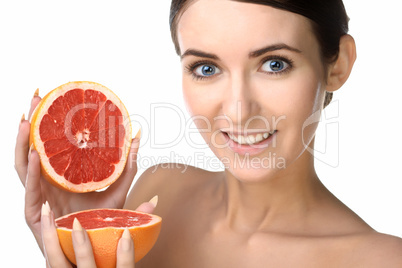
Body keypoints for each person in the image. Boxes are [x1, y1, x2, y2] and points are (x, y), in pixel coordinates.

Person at [15, 0, 402, 267]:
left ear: (337, 65)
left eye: (274, 63)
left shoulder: (383, 261)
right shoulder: (159, 191)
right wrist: (77, 243)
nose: (238, 109)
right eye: (206, 68)